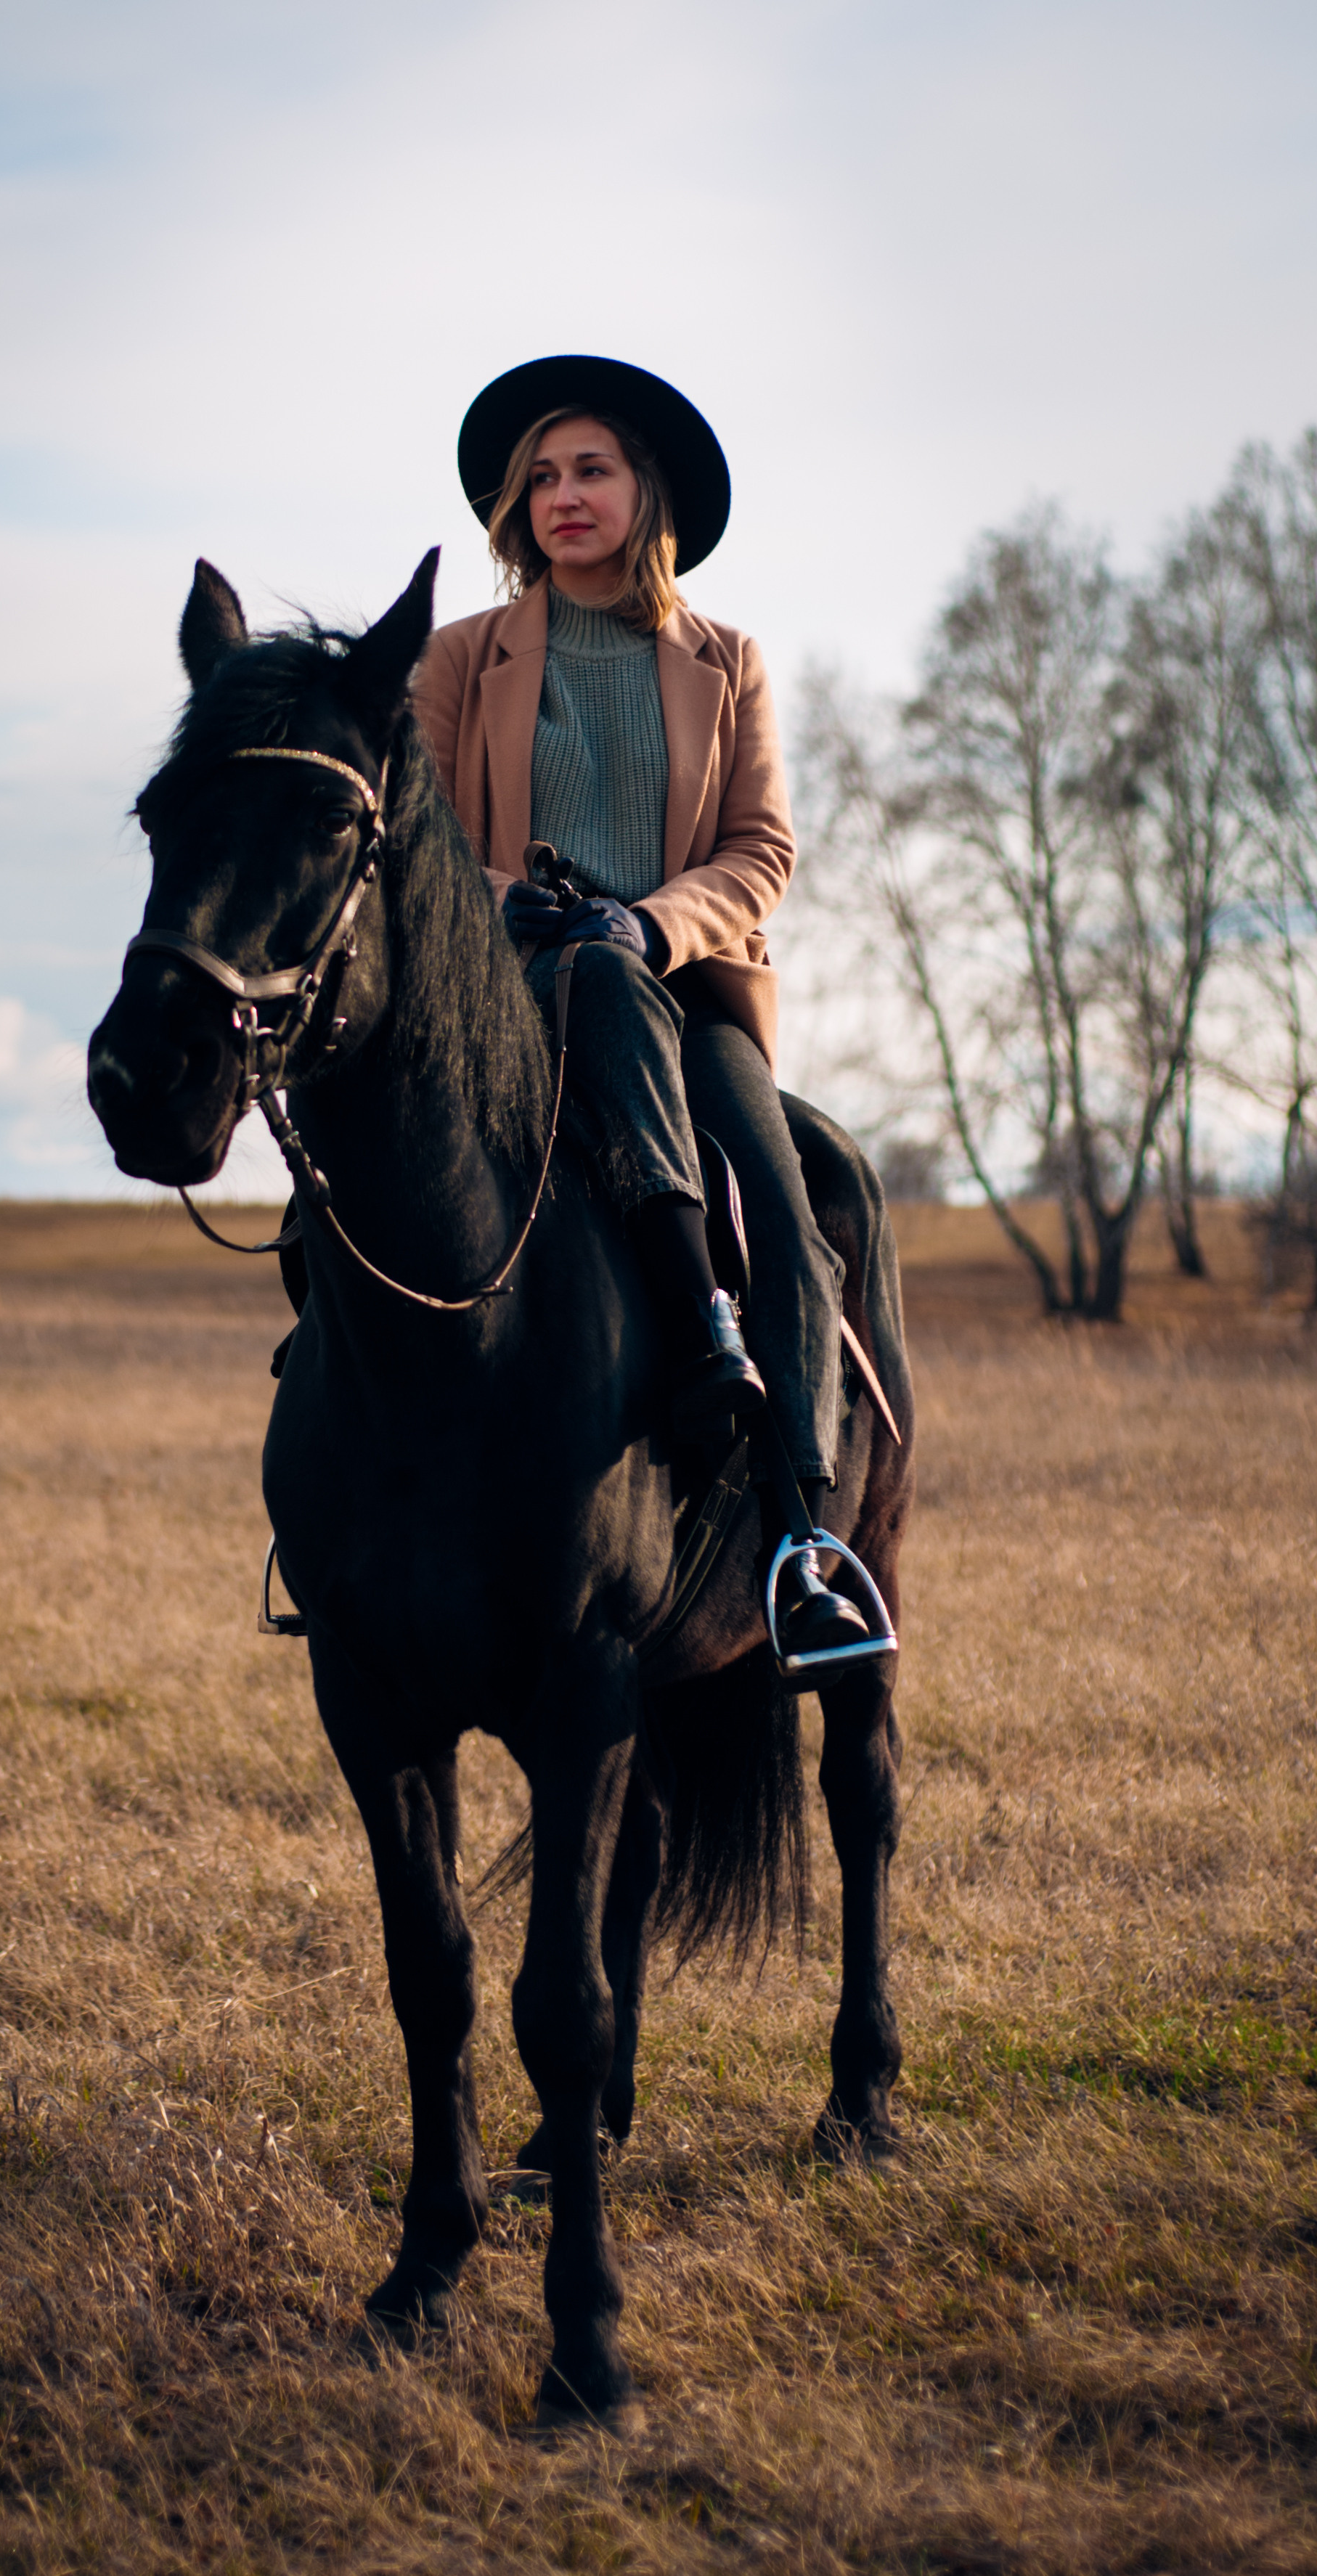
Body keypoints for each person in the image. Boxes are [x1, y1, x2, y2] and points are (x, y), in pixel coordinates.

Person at [412, 354, 863, 1666]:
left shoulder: (729, 663)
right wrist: (517, 907)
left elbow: (762, 848)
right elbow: (418, 836)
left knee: (784, 1207)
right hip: (504, 989)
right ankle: (340, 1509)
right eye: (539, 477)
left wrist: (649, 922)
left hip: (680, 991)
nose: (562, 494)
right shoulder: (454, 659)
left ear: (643, 490)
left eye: (590, 469)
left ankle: (801, 1545)